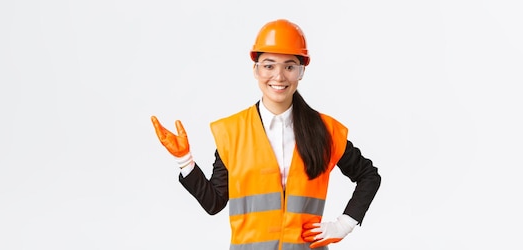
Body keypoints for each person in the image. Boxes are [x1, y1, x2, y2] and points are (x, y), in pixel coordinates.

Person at [151, 19, 381, 250]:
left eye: (289, 66)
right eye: (269, 65)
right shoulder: (232, 132)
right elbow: (214, 202)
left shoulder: (324, 130)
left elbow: (368, 175)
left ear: (301, 72)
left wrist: (344, 224)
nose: (279, 76)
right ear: (256, 69)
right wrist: (184, 160)